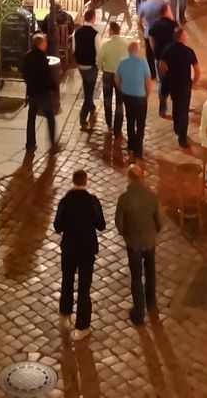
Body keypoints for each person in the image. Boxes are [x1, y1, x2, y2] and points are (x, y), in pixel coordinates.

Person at [53, 168, 105, 341]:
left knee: (67, 280)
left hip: (69, 248)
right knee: (84, 287)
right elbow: (101, 225)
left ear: (73, 181)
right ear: (86, 181)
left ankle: (65, 312)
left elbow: (57, 226)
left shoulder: (65, 201)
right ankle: (82, 326)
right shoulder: (92, 201)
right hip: (87, 249)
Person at [114, 162, 163, 325]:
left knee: (136, 277)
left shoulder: (124, 199)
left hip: (133, 244)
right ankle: (151, 303)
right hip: (149, 241)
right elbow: (160, 222)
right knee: (150, 273)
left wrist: (127, 234)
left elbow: (119, 225)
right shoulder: (151, 196)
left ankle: (139, 313)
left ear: (129, 178)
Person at [158, 24, 200, 149]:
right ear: (181, 37)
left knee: (176, 105)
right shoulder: (189, 51)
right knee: (184, 110)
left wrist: (168, 73)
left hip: (172, 83)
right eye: (185, 34)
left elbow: (161, 66)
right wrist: (194, 82)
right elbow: (197, 70)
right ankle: (182, 138)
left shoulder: (167, 49)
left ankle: (177, 127)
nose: (187, 36)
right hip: (185, 84)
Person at [115, 41, 152, 159]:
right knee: (140, 123)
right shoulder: (143, 62)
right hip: (140, 96)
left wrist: (122, 88)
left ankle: (131, 144)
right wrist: (147, 95)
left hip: (127, 96)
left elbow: (116, 78)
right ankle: (138, 150)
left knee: (130, 120)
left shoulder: (122, 62)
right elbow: (148, 80)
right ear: (137, 51)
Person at [21, 34, 57, 152]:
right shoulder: (42, 58)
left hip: (32, 92)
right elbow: (47, 76)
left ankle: (30, 143)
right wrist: (53, 86)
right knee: (50, 117)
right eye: (45, 42)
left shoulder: (27, 57)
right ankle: (53, 142)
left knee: (31, 118)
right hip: (42, 93)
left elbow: (24, 74)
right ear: (40, 44)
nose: (47, 44)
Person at [98, 20, 127, 140]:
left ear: (111, 30)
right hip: (121, 75)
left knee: (108, 99)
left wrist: (102, 68)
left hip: (108, 73)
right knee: (120, 102)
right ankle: (118, 127)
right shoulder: (126, 43)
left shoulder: (106, 44)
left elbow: (99, 59)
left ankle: (109, 123)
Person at [147, 4, 178, 116]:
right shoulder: (173, 24)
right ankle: (177, 106)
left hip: (158, 57)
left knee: (161, 82)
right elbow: (178, 39)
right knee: (174, 81)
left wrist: (154, 49)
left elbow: (150, 37)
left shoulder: (154, 24)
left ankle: (162, 108)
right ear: (167, 12)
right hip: (172, 59)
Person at [74, 9, 99, 129]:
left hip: (80, 65)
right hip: (91, 66)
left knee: (87, 87)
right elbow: (98, 52)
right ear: (93, 18)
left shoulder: (77, 32)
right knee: (89, 93)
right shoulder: (95, 34)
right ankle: (83, 118)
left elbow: (74, 49)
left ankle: (92, 108)